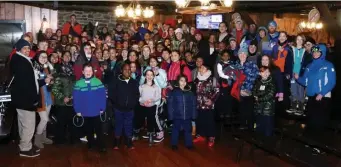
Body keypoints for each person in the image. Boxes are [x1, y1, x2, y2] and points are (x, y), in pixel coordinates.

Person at [10, 39, 41, 157]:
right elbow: (25, 83)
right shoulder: (21, 61)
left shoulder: (19, 59)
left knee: (23, 123)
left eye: (28, 48)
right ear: (19, 49)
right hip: (25, 99)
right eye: (25, 48)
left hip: (21, 99)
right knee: (29, 124)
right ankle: (25, 149)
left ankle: (25, 144)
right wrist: (33, 99)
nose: (27, 50)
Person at [297, 44, 336, 133]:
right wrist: (297, 78)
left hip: (322, 98)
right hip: (311, 97)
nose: (315, 53)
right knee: (310, 121)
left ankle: (320, 143)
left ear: (323, 53)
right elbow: (304, 81)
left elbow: (332, 82)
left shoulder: (328, 65)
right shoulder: (309, 65)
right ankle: (308, 143)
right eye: (314, 52)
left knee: (319, 123)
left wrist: (322, 93)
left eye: (318, 52)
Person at [73, 63, 107, 153]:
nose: (88, 72)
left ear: (93, 72)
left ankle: (101, 145)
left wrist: (102, 108)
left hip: (96, 111)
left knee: (99, 129)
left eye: (90, 71)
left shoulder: (98, 82)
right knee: (88, 129)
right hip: (85, 111)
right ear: (82, 72)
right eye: (86, 71)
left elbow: (102, 96)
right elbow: (76, 98)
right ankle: (90, 143)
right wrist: (77, 110)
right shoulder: (78, 83)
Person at [108, 63, 139, 150]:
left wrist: (133, 104)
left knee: (128, 125)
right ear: (121, 71)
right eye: (125, 69)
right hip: (118, 108)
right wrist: (116, 103)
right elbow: (111, 93)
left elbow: (137, 95)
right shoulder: (116, 81)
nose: (127, 71)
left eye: (129, 69)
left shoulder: (133, 82)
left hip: (130, 109)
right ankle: (117, 141)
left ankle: (128, 141)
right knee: (118, 124)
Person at [51, 52, 78, 145]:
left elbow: (75, 86)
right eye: (65, 55)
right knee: (61, 123)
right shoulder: (58, 71)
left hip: (72, 102)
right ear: (62, 57)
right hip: (62, 103)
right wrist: (63, 98)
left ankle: (72, 139)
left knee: (72, 122)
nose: (67, 57)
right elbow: (54, 88)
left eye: (69, 55)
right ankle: (59, 141)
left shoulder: (73, 71)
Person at [167, 75, 197, 150]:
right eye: (181, 80)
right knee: (175, 130)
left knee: (188, 130)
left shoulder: (190, 93)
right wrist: (170, 115)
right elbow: (170, 105)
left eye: (185, 81)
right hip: (177, 115)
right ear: (178, 81)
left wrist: (193, 115)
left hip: (187, 116)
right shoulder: (174, 92)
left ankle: (189, 144)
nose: (183, 82)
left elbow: (193, 104)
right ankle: (174, 144)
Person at [193, 65, 219, 147]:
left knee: (209, 121)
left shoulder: (212, 79)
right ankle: (201, 135)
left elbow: (217, 91)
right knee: (200, 120)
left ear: (208, 69)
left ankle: (211, 137)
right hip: (198, 104)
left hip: (208, 105)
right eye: (200, 68)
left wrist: (211, 100)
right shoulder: (196, 79)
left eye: (203, 68)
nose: (201, 69)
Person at [32, 51, 54, 149]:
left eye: (45, 57)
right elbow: (33, 83)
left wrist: (50, 80)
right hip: (40, 97)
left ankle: (43, 138)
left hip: (48, 96)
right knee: (44, 119)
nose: (44, 58)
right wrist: (44, 81)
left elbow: (49, 81)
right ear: (37, 57)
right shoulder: (34, 68)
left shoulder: (46, 68)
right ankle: (37, 139)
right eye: (42, 56)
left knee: (46, 119)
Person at [235, 44, 259, 130]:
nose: (242, 55)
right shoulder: (235, 66)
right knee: (241, 110)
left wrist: (248, 89)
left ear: (247, 55)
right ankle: (242, 125)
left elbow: (256, 77)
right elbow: (233, 80)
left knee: (249, 111)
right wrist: (240, 90)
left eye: (244, 54)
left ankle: (250, 126)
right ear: (238, 55)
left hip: (249, 92)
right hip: (239, 93)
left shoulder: (252, 65)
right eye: (240, 53)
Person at [135, 70, 162, 143]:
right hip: (143, 106)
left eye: (151, 75)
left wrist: (151, 100)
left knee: (151, 119)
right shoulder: (141, 86)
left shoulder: (156, 87)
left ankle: (151, 133)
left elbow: (158, 96)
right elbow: (138, 96)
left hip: (152, 106)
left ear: (153, 76)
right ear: (145, 76)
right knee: (140, 118)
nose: (149, 76)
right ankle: (137, 132)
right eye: (148, 75)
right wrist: (142, 102)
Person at [252, 66, 276, 136]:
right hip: (258, 108)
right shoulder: (257, 82)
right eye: (263, 72)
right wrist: (255, 96)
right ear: (260, 73)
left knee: (267, 129)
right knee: (259, 127)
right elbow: (254, 91)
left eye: (267, 72)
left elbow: (270, 95)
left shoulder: (272, 82)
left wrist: (258, 98)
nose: (266, 73)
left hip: (267, 109)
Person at [287, 35, 306, 115]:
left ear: (303, 41)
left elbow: (306, 63)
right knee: (293, 90)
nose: (299, 41)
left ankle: (301, 108)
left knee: (300, 91)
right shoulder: (291, 50)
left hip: (301, 74)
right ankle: (293, 107)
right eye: (298, 39)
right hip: (293, 73)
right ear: (295, 40)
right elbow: (288, 62)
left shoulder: (305, 51)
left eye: (301, 39)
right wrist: (288, 73)